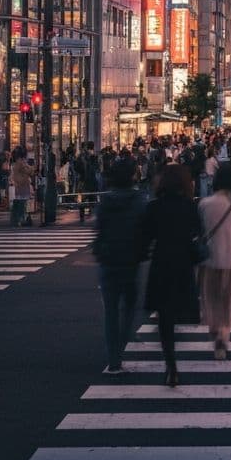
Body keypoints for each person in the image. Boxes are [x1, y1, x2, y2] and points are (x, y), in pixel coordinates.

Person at [140, 164, 200, 388]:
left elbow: (145, 238)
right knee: (179, 309)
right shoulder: (190, 206)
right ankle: (173, 361)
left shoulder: (154, 207)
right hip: (183, 263)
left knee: (164, 318)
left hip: (162, 263)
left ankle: (171, 366)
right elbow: (197, 233)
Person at [93, 158, 145, 374]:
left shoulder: (105, 201)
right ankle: (121, 344)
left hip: (108, 260)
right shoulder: (139, 201)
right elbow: (143, 231)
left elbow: (99, 230)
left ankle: (114, 358)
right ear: (132, 176)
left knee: (111, 311)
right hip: (130, 260)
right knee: (130, 307)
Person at [199, 164, 231, 361]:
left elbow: (202, 230)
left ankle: (214, 326)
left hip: (210, 259)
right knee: (229, 299)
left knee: (211, 297)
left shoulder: (204, 204)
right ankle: (223, 335)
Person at [9, 149, 34, 227]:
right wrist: (30, 167)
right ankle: (22, 219)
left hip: (18, 185)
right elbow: (30, 171)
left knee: (18, 203)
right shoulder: (21, 163)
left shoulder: (14, 164)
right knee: (23, 203)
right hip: (23, 185)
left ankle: (17, 220)